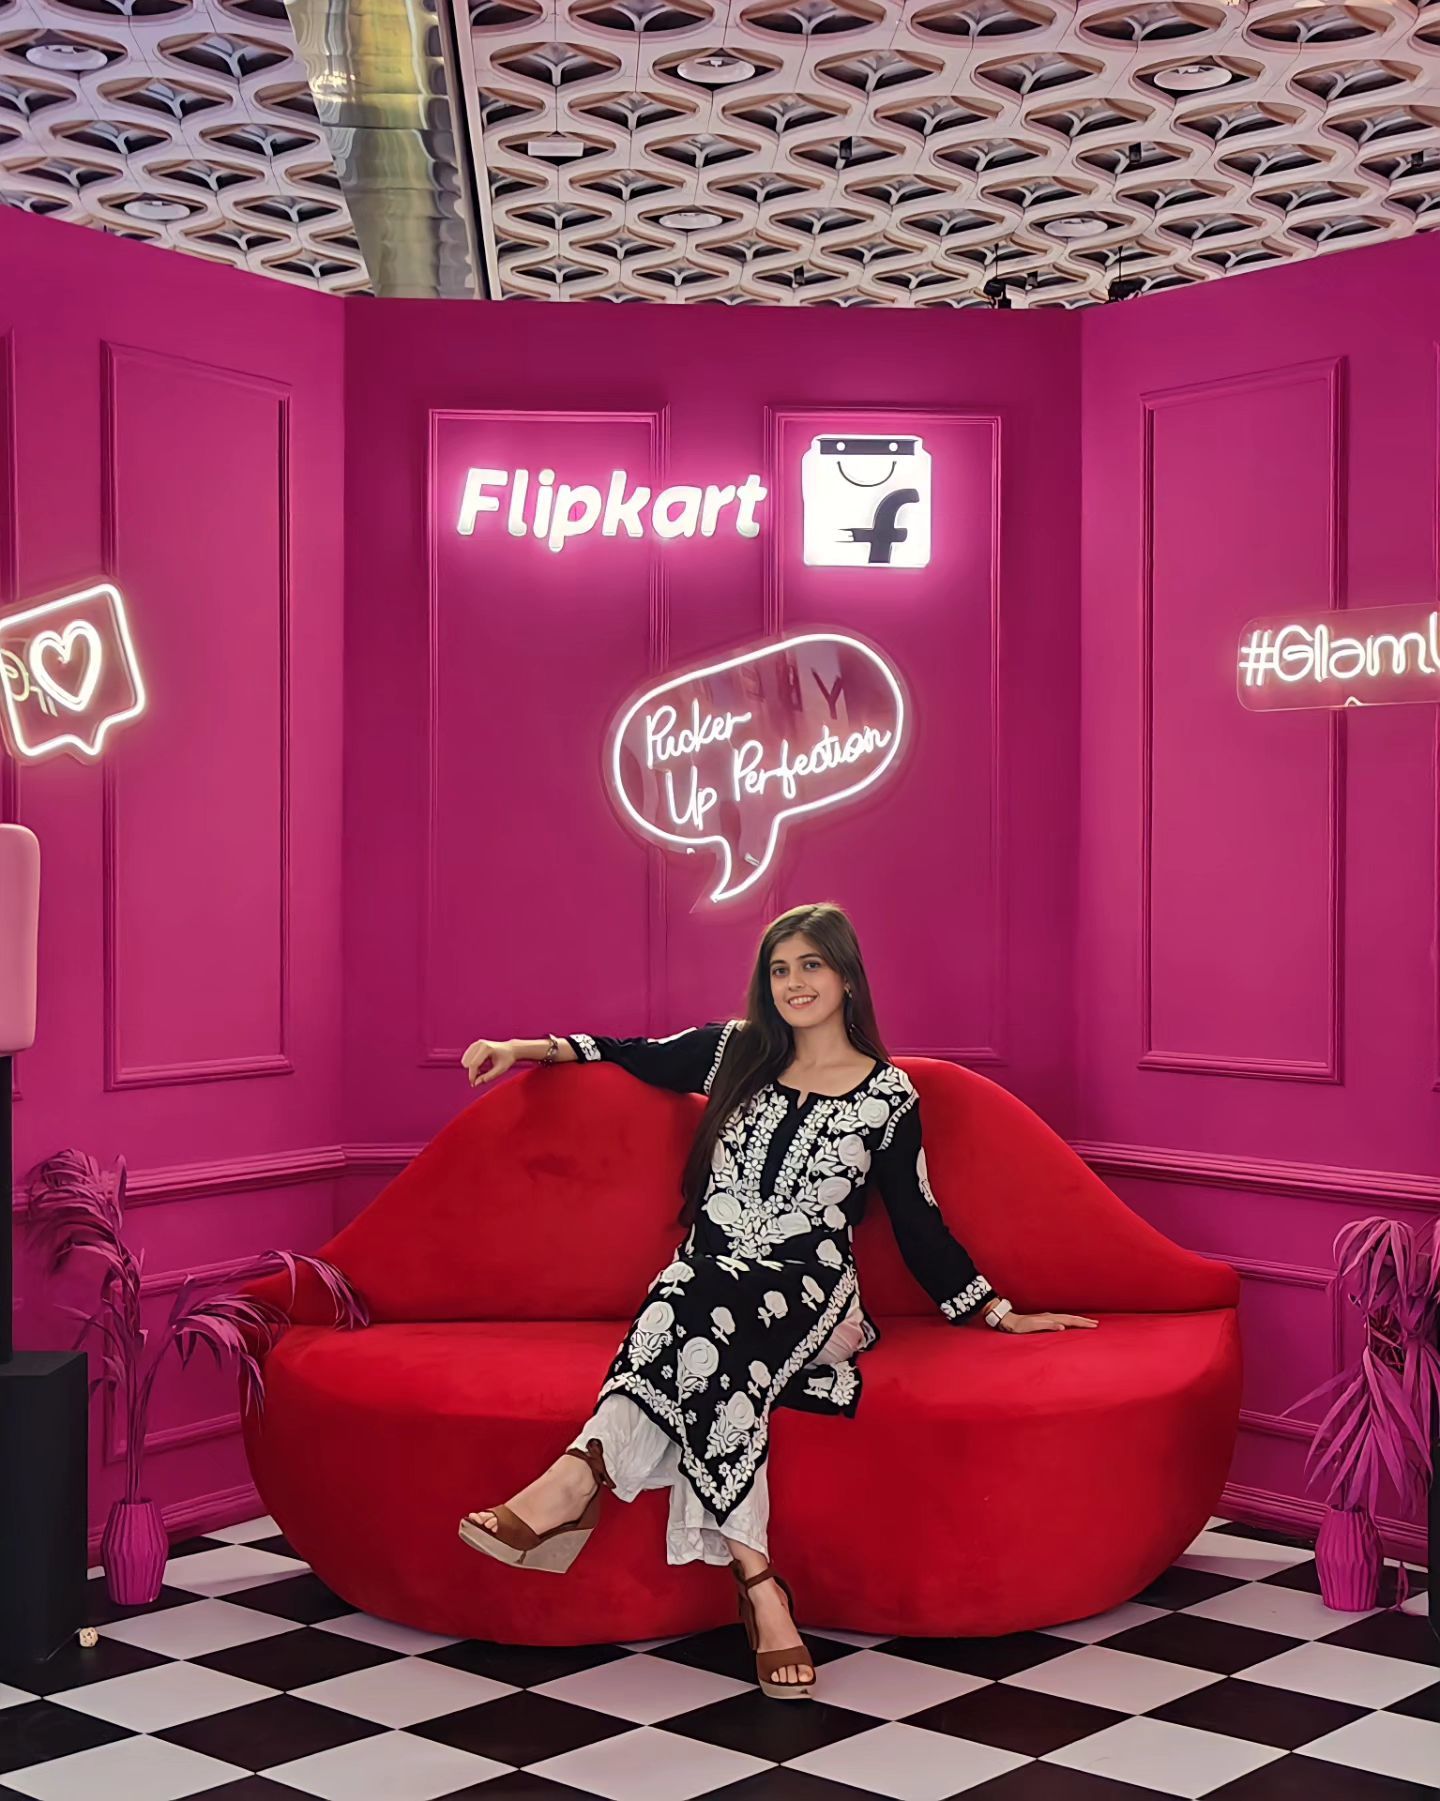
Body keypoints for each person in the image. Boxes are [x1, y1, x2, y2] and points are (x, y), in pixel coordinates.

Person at [456, 901, 1098, 1700]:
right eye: (780, 968)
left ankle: (580, 1477)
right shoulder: (735, 1053)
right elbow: (630, 1053)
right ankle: (759, 1584)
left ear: (847, 977)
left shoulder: (887, 1096)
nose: (794, 982)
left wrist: (997, 1311)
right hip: (707, 1287)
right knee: (695, 1305)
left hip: (814, 1297)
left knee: (687, 1303)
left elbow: (918, 1219)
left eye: (811, 965)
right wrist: (521, 1049)